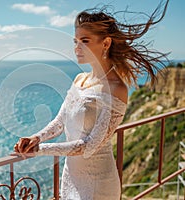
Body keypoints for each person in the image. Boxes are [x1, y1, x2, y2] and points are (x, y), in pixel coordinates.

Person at [13, 1, 169, 199]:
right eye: (75, 41)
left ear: (105, 43)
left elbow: (88, 147)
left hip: (98, 184)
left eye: (84, 41)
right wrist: (35, 137)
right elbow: (60, 121)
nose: (77, 47)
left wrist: (39, 149)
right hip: (71, 177)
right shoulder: (80, 79)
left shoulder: (116, 89)